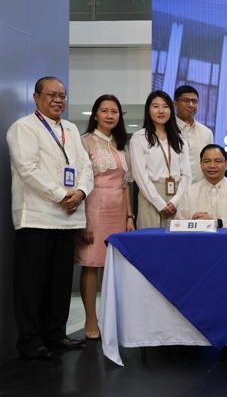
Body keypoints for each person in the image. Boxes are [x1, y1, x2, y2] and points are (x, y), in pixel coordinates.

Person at [7, 76, 93, 359]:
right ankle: (30, 342)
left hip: (68, 218)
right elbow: (27, 169)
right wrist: (61, 195)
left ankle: (56, 335)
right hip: (36, 217)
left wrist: (81, 192)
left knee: (59, 283)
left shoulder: (70, 128)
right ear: (36, 97)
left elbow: (86, 167)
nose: (58, 100)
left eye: (62, 95)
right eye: (52, 95)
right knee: (32, 284)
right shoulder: (23, 127)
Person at [76, 94, 134, 340]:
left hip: (118, 210)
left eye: (114, 111)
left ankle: (109, 318)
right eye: (105, 110)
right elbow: (81, 182)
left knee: (112, 266)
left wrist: (130, 216)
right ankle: (90, 319)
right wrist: (85, 220)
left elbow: (125, 184)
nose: (110, 115)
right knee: (91, 264)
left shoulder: (122, 144)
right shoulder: (85, 141)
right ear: (95, 114)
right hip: (94, 207)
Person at [130, 90, 192, 228]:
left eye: (165, 106)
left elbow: (187, 175)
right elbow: (139, 174)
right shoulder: (139, 137)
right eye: (155, 106)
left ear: (171, 110)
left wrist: (175, 202)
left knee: (176, 239)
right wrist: (159, 203)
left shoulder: (180, 139)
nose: (161, 111)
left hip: (177, 196)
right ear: (148, 110)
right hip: (150, 196)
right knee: (150, 239)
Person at [177, 144, 227, 227]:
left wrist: (216, 223)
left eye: (217, 161)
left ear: (226, 164)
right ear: (200, 164)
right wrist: (195, 224)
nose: (212, 166)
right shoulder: (189, 191)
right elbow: (179, 224)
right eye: (207, 161)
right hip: (197, 235)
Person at [174, 85, 214, 183]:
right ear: (175, 104)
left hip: (200, 189)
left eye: (194, 101)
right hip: (173, 189)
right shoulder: (166, 130)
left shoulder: (206, 133)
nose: (191, 105)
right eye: (186, 100)